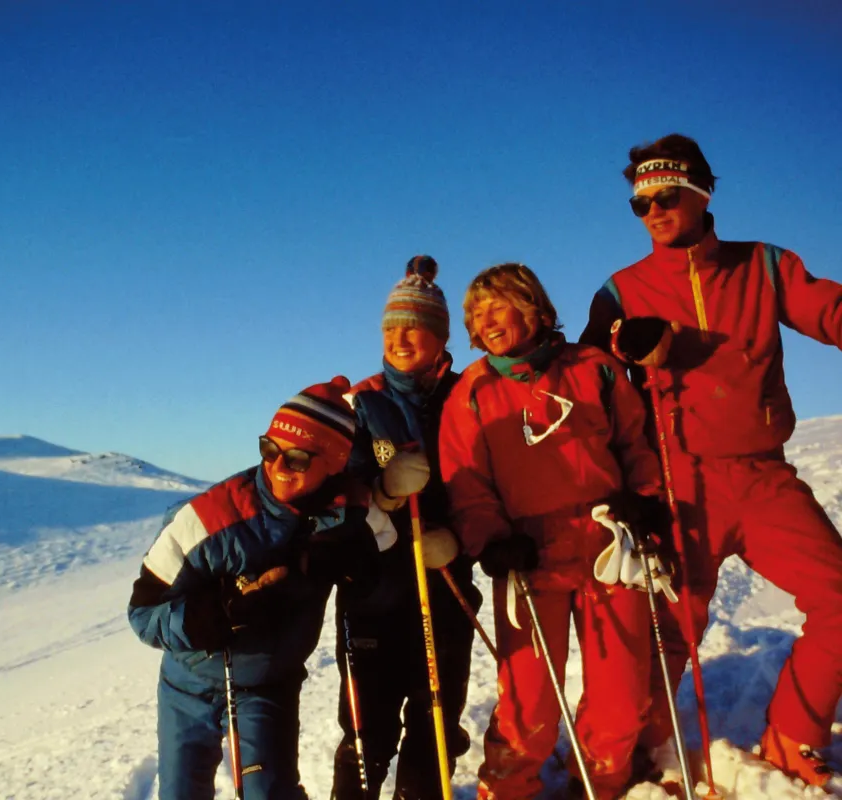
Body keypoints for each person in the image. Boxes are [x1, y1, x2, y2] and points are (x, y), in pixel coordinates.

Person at [580, 132, 842, 788]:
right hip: (677, 481)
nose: (655, 212)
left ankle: (794, 740)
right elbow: (588, 379)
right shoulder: (623, 288)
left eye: (667, 196)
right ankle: (646, 750)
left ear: (701, 191)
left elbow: (831, 310)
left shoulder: (763, 265)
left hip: (762, 474)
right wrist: (623, 347)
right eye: (640, 205)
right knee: (667, 631)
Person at [439, 263, 664, 800]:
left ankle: (603, 783)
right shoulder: (472, 392)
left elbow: (634, 442)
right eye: (476, 312)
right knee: (530, 696)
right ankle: (509, 788)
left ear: (536, 309)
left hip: (610, 542)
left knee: (622, 687)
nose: (485, 319)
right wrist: (491, 539)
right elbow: (466, 481)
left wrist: (646, 500)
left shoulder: (592, 368)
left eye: (498, 306)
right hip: (527, 555)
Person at [127, 376, 396, 800]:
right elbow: (142, 613)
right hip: (188, 684)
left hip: (269, 684)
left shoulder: (352, 515)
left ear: (334, 462)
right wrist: (201, 619)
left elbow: (387, 563)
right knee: (181, 793)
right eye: (269, 450)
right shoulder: (207, 519)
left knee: (269, 793)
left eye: (297, 459)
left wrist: (361, 570)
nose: (277, 467)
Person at [330, 255, 482, 800]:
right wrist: (383, 494)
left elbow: (490, 483)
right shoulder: (359, 401)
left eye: (413, 327)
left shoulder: (470, 395)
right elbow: (331, 497)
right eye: (391, 328)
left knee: (434, 719)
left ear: (441, 337)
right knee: (366, 731)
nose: (400, 339)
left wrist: (459, 539)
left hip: (445, 582)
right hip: (372, 592)